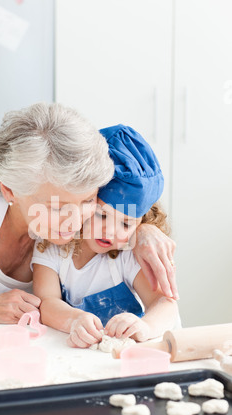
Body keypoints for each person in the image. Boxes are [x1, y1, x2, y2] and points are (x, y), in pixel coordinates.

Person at [0, 103, 178, 324]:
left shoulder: (83, 233)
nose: (75, 220)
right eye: (57, 207)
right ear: (9, 190)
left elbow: (124, 198)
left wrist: (144, 226)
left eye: (87, 200)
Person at [32, 125, 180, 348]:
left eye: (126, 223)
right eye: (102, 215)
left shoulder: (129, 254)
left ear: (142, 221)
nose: (110, 231)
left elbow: (164, 303)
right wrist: (74, 319)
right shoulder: (52, 247)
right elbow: (47, 302)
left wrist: (145, 327)